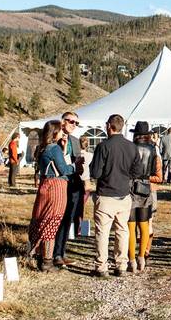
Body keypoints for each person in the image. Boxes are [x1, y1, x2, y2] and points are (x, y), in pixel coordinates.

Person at [88, 114, 144, 277]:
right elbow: (138, 171)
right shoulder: (131, 147)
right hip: (123, 195)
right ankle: (121, 265)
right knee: (122, 230)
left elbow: (96, 172)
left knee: (103, 232)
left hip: (106, 194)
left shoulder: (103, 146)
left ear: (109, 126)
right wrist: (125, 176)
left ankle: (102, 266)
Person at [27, 120, 74, 272]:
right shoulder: (54, 149)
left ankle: (40, 256)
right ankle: (47, 261)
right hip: (56, 187)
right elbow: (63, 169)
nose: (63, 133)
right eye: (60, 130)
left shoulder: (43, 148)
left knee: (42, 219)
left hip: (45, 185)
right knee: (52, 222)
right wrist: (74, 166)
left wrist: (64, 148)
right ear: (55, 132)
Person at [52, 112, 85, 268]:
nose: (73, 125)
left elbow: (78, 164)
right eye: (71, 121)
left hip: (74, 183)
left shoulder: (75, 141)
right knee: (57, 219)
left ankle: (61, 252)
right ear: (62, 122)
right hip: (59, 184)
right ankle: (53, 253)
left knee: (68, 219)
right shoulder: (54, 139)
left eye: (76, 123)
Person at [129, 122, 161, 272]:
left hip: (131, 186)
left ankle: (131, 259)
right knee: (144, 224)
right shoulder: (152, 149)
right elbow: (155, 171)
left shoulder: (130, 148)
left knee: (130, 226)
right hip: (145, 186)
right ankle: (142, 256)